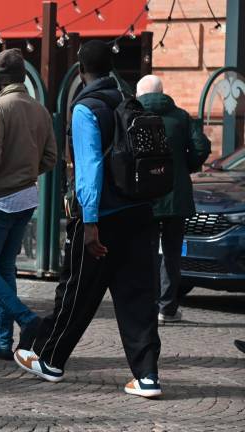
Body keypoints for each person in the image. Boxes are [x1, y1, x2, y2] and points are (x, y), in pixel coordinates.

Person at [14, 41, 163, 399]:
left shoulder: (86, 108)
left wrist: (91, 221)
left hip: (103, 216)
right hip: (140, 213)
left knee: (77, 290)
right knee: (138, 298)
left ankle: (50, 359)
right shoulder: (130, 101)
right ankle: (147, 377)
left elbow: (90, 168)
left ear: (81, 70)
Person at [0, 48, 57, 360]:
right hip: (26, 197)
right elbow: (50, 158)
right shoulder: (39, 109)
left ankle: (28, 320)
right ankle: (4, 342)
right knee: (5, 268)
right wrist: (25, 172)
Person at [135, 75, 211, 324]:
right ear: (162, 91)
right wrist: (182, 167)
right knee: (171, 254)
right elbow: (201, 146)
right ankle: (167, 309)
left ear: (140, 94)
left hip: (144, 195)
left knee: (144, 253)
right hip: (175, 195)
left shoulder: (133, 116)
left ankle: (146, 304)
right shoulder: (180, 116)